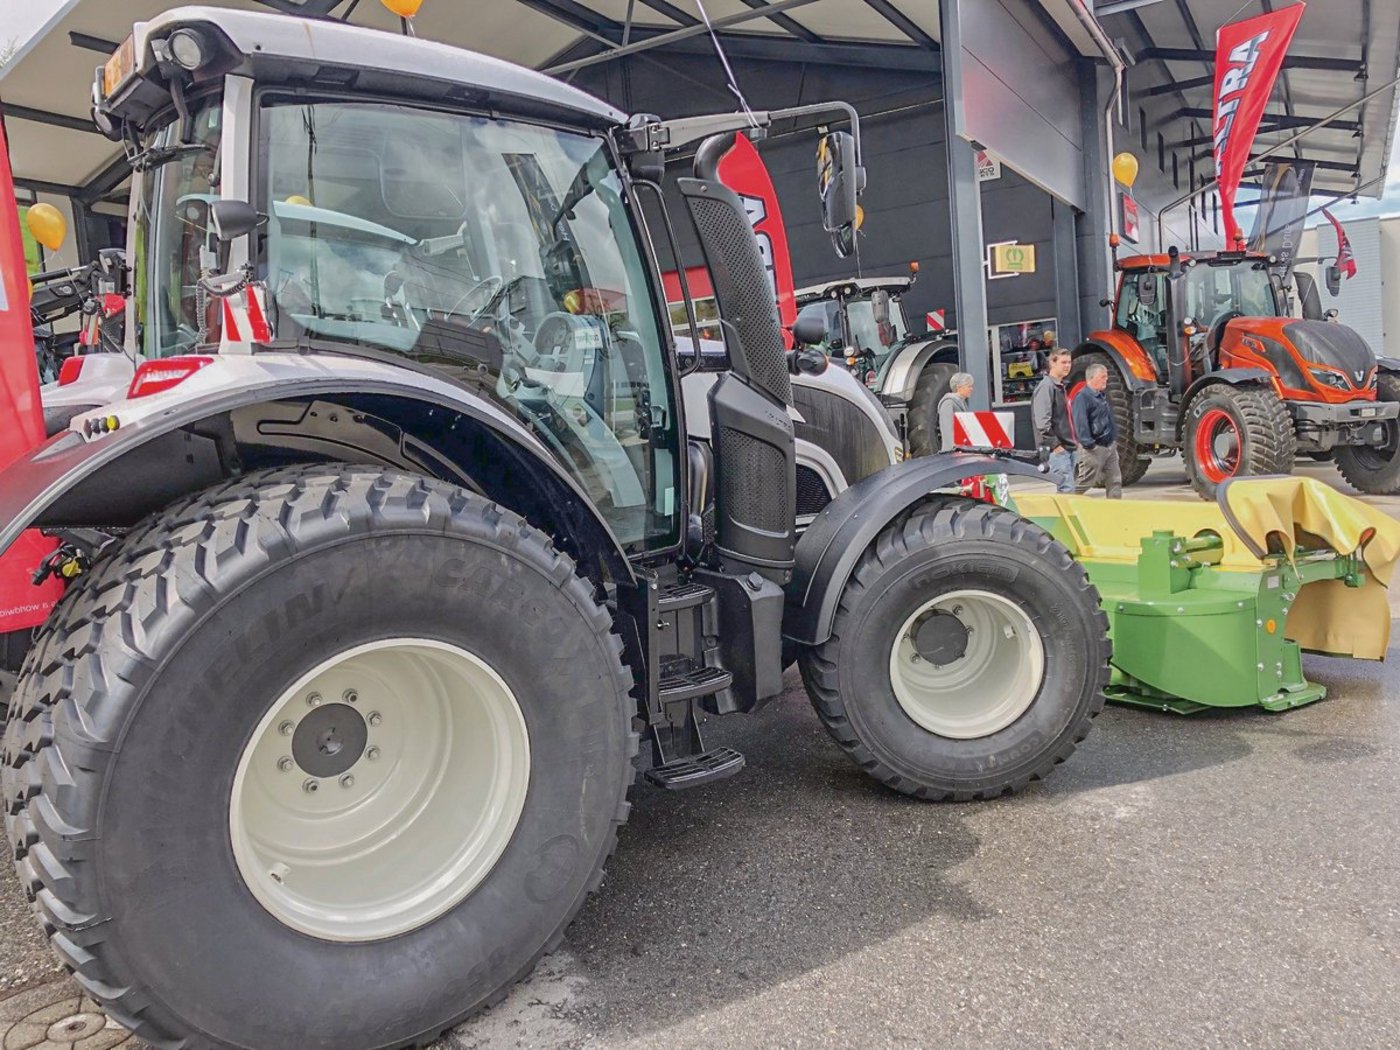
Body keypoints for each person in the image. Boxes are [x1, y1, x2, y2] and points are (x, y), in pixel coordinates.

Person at [1071, 362, 1123, 498]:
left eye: (1106, 376)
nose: (1106, 379)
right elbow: (1080, 423)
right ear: (1092, 378)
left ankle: (1116, 510)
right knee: (1085, 482)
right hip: (1094, 448)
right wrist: (1090, 445)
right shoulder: (1082, 397)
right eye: (1103, 376)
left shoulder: (1101, 395)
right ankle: (1066, 502)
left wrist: (1113, 439)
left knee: (1115, 480)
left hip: (1110, 446)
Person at [1032, 348, 1076, 492]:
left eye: (1069, 362)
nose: (1067, 366)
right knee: (1066, 490)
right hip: (1058, 450)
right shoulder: (1046, 387)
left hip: (1068, 448)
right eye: (1063, 362)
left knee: (1069, 490)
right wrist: (1056, 446)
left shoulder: (1060, 387)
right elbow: (1042, 423)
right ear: (1052, 363)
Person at [937, 372, 975, 452]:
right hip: (953, 452)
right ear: (959, 387)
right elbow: (948, 428)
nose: (971, 389)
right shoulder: (948, 403)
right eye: (969, 386)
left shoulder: (962, 403)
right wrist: (954, 449)